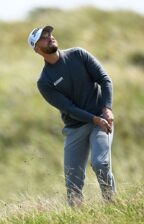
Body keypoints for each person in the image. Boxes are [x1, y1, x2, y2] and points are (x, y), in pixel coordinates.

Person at [27, 25, 116, 206]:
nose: (49, 37)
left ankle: (112, 205)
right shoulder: (44, 81)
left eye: (49, 34)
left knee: (100, 163)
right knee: (73, 186)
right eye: (43, 37)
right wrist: (94, 119)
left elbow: (104, 79)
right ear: (37, 50)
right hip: (75, 128)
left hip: (100, 119)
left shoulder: (78, 55)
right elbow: (69, 108)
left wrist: (106, 108)